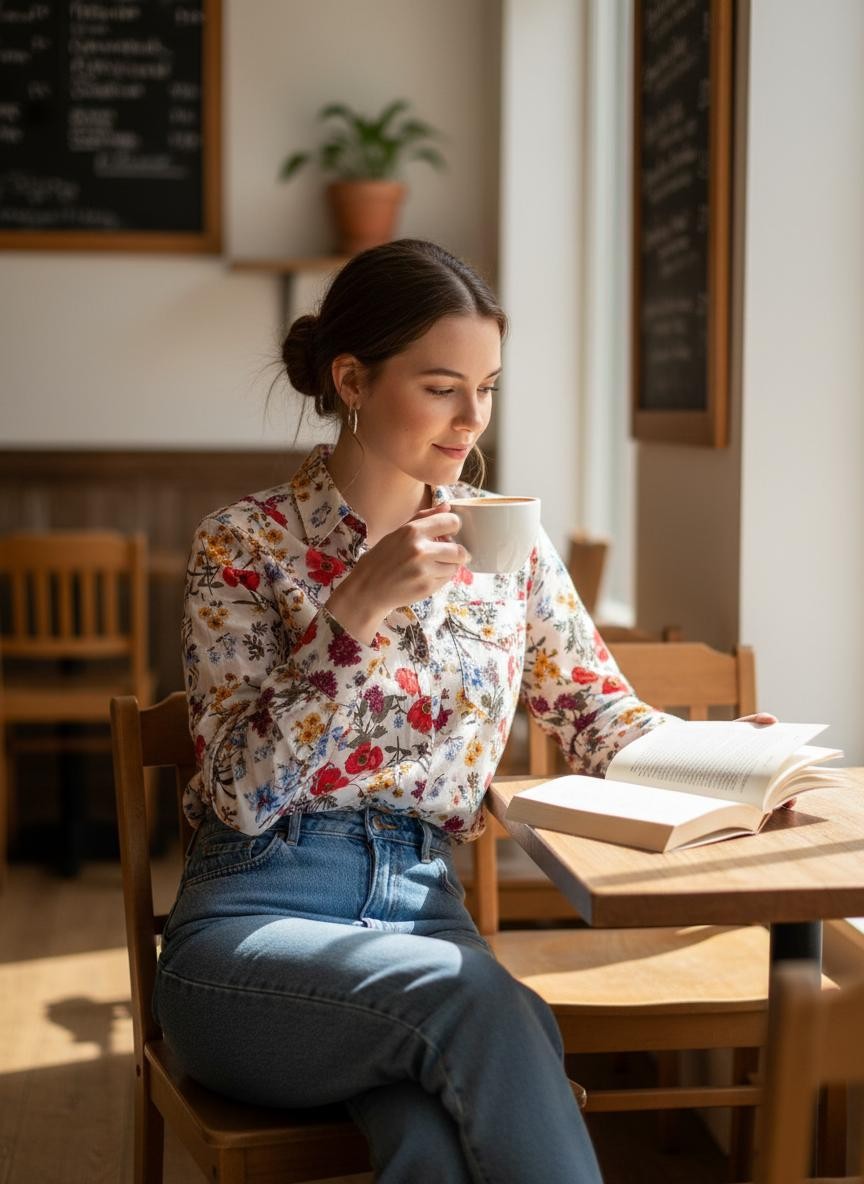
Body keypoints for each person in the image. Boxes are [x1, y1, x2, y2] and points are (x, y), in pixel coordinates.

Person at [152, 240, 738, 1183]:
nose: (475, 419)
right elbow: (237, 792)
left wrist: (729, 762)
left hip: (426, 914)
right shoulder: (244, 545)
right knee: (494, 1009)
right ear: (352, 378)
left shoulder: (506, 540)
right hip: (255, 922)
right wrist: (355, 607)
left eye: (489, 387)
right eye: (441, 387)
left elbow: (599, 715)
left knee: (433, 1143)